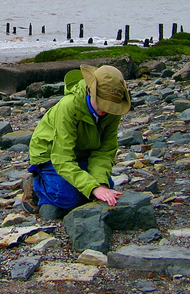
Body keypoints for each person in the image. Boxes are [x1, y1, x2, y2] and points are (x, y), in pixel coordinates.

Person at [23, 64, 131, 215]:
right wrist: (92, 188)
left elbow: (105, 151)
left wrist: (99, 184)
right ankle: (35, 185)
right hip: (50, 154)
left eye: (110, 106)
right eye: (101, 103)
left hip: (82, 151)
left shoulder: (113, 109)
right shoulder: (69, 107)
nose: (105, 110)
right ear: (89, 90)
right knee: (70, 198)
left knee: (106, 186)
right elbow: (62, 158)